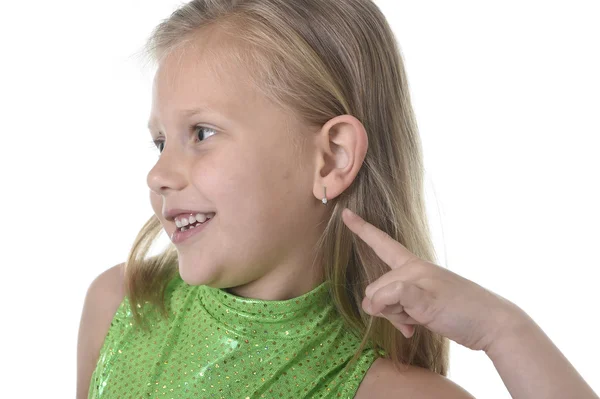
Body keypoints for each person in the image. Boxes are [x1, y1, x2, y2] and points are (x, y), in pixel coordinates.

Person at [77, 0, 599, 398]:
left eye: (203, 133)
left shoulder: (394, 392)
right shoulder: (123, 306)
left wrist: (503, 331)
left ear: (330, 159)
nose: (159, 173)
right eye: (161, 141)